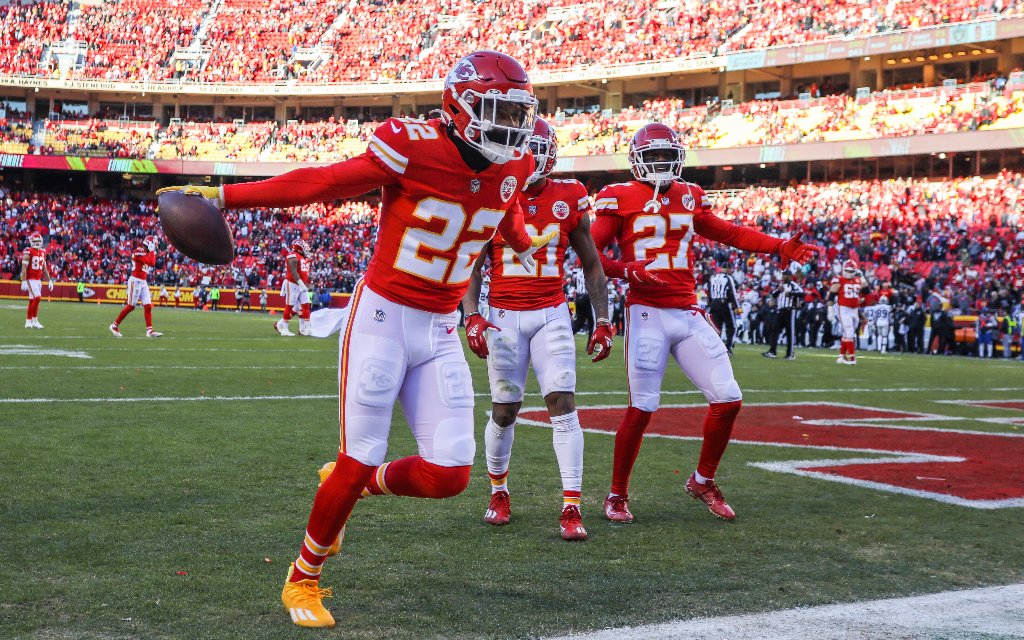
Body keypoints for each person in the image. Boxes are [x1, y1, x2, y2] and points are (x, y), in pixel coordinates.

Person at [157, 50, 553, 629]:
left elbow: (508, 218)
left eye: (517, 112)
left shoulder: (512, 167)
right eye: (497, 109)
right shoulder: (411, 144)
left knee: (451, 474)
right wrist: (225, 198)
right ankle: (303, 578)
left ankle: (360, 486)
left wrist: (531, 240)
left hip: (442, 326)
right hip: (384, 318)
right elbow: (323, 183)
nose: (509, 125)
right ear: (458, 105)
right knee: (358, 452)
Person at [590, 122, 820, 524]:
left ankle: (702, 480)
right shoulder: (618, 197)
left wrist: (779, 246)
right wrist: (627, 271)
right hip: (645, 311)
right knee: (642, 406)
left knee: (728, 397)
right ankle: (617, 494)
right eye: (653, 155)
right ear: (636, 160)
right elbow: (590, 254)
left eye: (667, 155)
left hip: (686, 309)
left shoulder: (689, 195)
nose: (661, 163)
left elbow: (728, 233)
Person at [461, 118, 614, 541]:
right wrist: (472, 314)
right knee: (504, 409)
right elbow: (471, 265)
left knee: (563, 405)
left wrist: (602, 320)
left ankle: (571, 506)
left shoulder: (570, 195)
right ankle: (498, 492)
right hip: (503, 314)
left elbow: (592, 264)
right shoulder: (492, 189)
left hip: (551, 312)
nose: (533, 157)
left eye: (539, 148)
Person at [109, 236, 162, 338]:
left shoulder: (147, 252)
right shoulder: (138, 251)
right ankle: (114, 325)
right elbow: (151, 262)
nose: (155, 247)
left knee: (148, 305)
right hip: (135, 281)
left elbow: (153, 262)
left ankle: (149, 330)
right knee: (131, 306)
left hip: (143, 281)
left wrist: (152, 251)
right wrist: (151, 251)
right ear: (149, 244)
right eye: (154, 245)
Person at [763, 271, 803, 360]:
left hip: (790, 310)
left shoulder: (793, 285)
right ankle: (772, 351)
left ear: (790, 276)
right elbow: (773, 295)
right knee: (774, 330)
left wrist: (791, 293)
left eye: (785, 275)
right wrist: (778, 291)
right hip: (780, 310)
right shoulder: (781, 285)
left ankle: (790, 354)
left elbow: (802, 293)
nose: (783, 277)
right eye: (783, 275)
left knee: (790, 333)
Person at [830, 259, 864, 364]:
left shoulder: (859, 279)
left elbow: (867, 292)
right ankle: (852, 358)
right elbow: (831, 295)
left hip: (855, 309)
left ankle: (841, 356)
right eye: (847, 271)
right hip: (843, 309)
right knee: (849, 333)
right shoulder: (838, 279)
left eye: (851, 271)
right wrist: (830, 310)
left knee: (848, 333)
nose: (849, 273)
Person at [276, 240, 312, 337]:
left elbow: (304, 273)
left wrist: (306, 283)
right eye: (304, 247)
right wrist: (300, 283)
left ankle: (307, 329)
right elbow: (293, 271)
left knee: (306, 304)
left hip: (301, 284)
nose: (306, 249)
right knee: (290, 305)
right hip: (292, 283)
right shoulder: (292, 255)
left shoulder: (302, 257)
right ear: (299, 247)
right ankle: (284, 329)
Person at [20, 232, 52, 329]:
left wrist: (49, 280)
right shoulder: (28, 252)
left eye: (38, 241)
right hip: (31, 279)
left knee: (32, 301)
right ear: (31, 242)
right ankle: (34, 320)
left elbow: (44, 268)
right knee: (37, 298)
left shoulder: (43, 252)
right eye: (35, 241)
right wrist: (24, 280)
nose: (37, 243)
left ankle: (28, 321)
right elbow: (24, 267)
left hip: (38, 280)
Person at [707, 265, 738, 353]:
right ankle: (728, 348)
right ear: (727, 269)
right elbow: (733, 293)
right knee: (732, 327)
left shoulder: (713, 277)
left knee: (716, 327)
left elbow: (709, 292)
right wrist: (737, 306)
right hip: (724, 303)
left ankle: (715, 348)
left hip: (713, 304)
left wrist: (710, 305)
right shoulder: (728, 278)